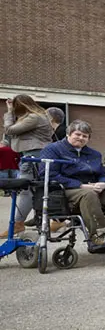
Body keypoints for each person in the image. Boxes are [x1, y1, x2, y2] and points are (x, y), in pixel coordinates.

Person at [39, 120, 105, 250]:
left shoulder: (94, 154)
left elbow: (102, 174)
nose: (81, 138)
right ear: (68, 134)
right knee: (89, 194)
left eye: (85, 136)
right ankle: (99, 235)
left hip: (92, 188)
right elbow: (49, 175)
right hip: (66, 190)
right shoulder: (53, 150)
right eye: (77, 134)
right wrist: (81, 186)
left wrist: (104, 183)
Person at [1, 95, 55, 237]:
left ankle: (18, 224)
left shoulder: (33, 118)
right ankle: (55, 220)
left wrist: (9, 112)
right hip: (35, 155)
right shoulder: (40, 116)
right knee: (39, 190)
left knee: (26, 190)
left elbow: (9, 130)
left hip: (33, 156)